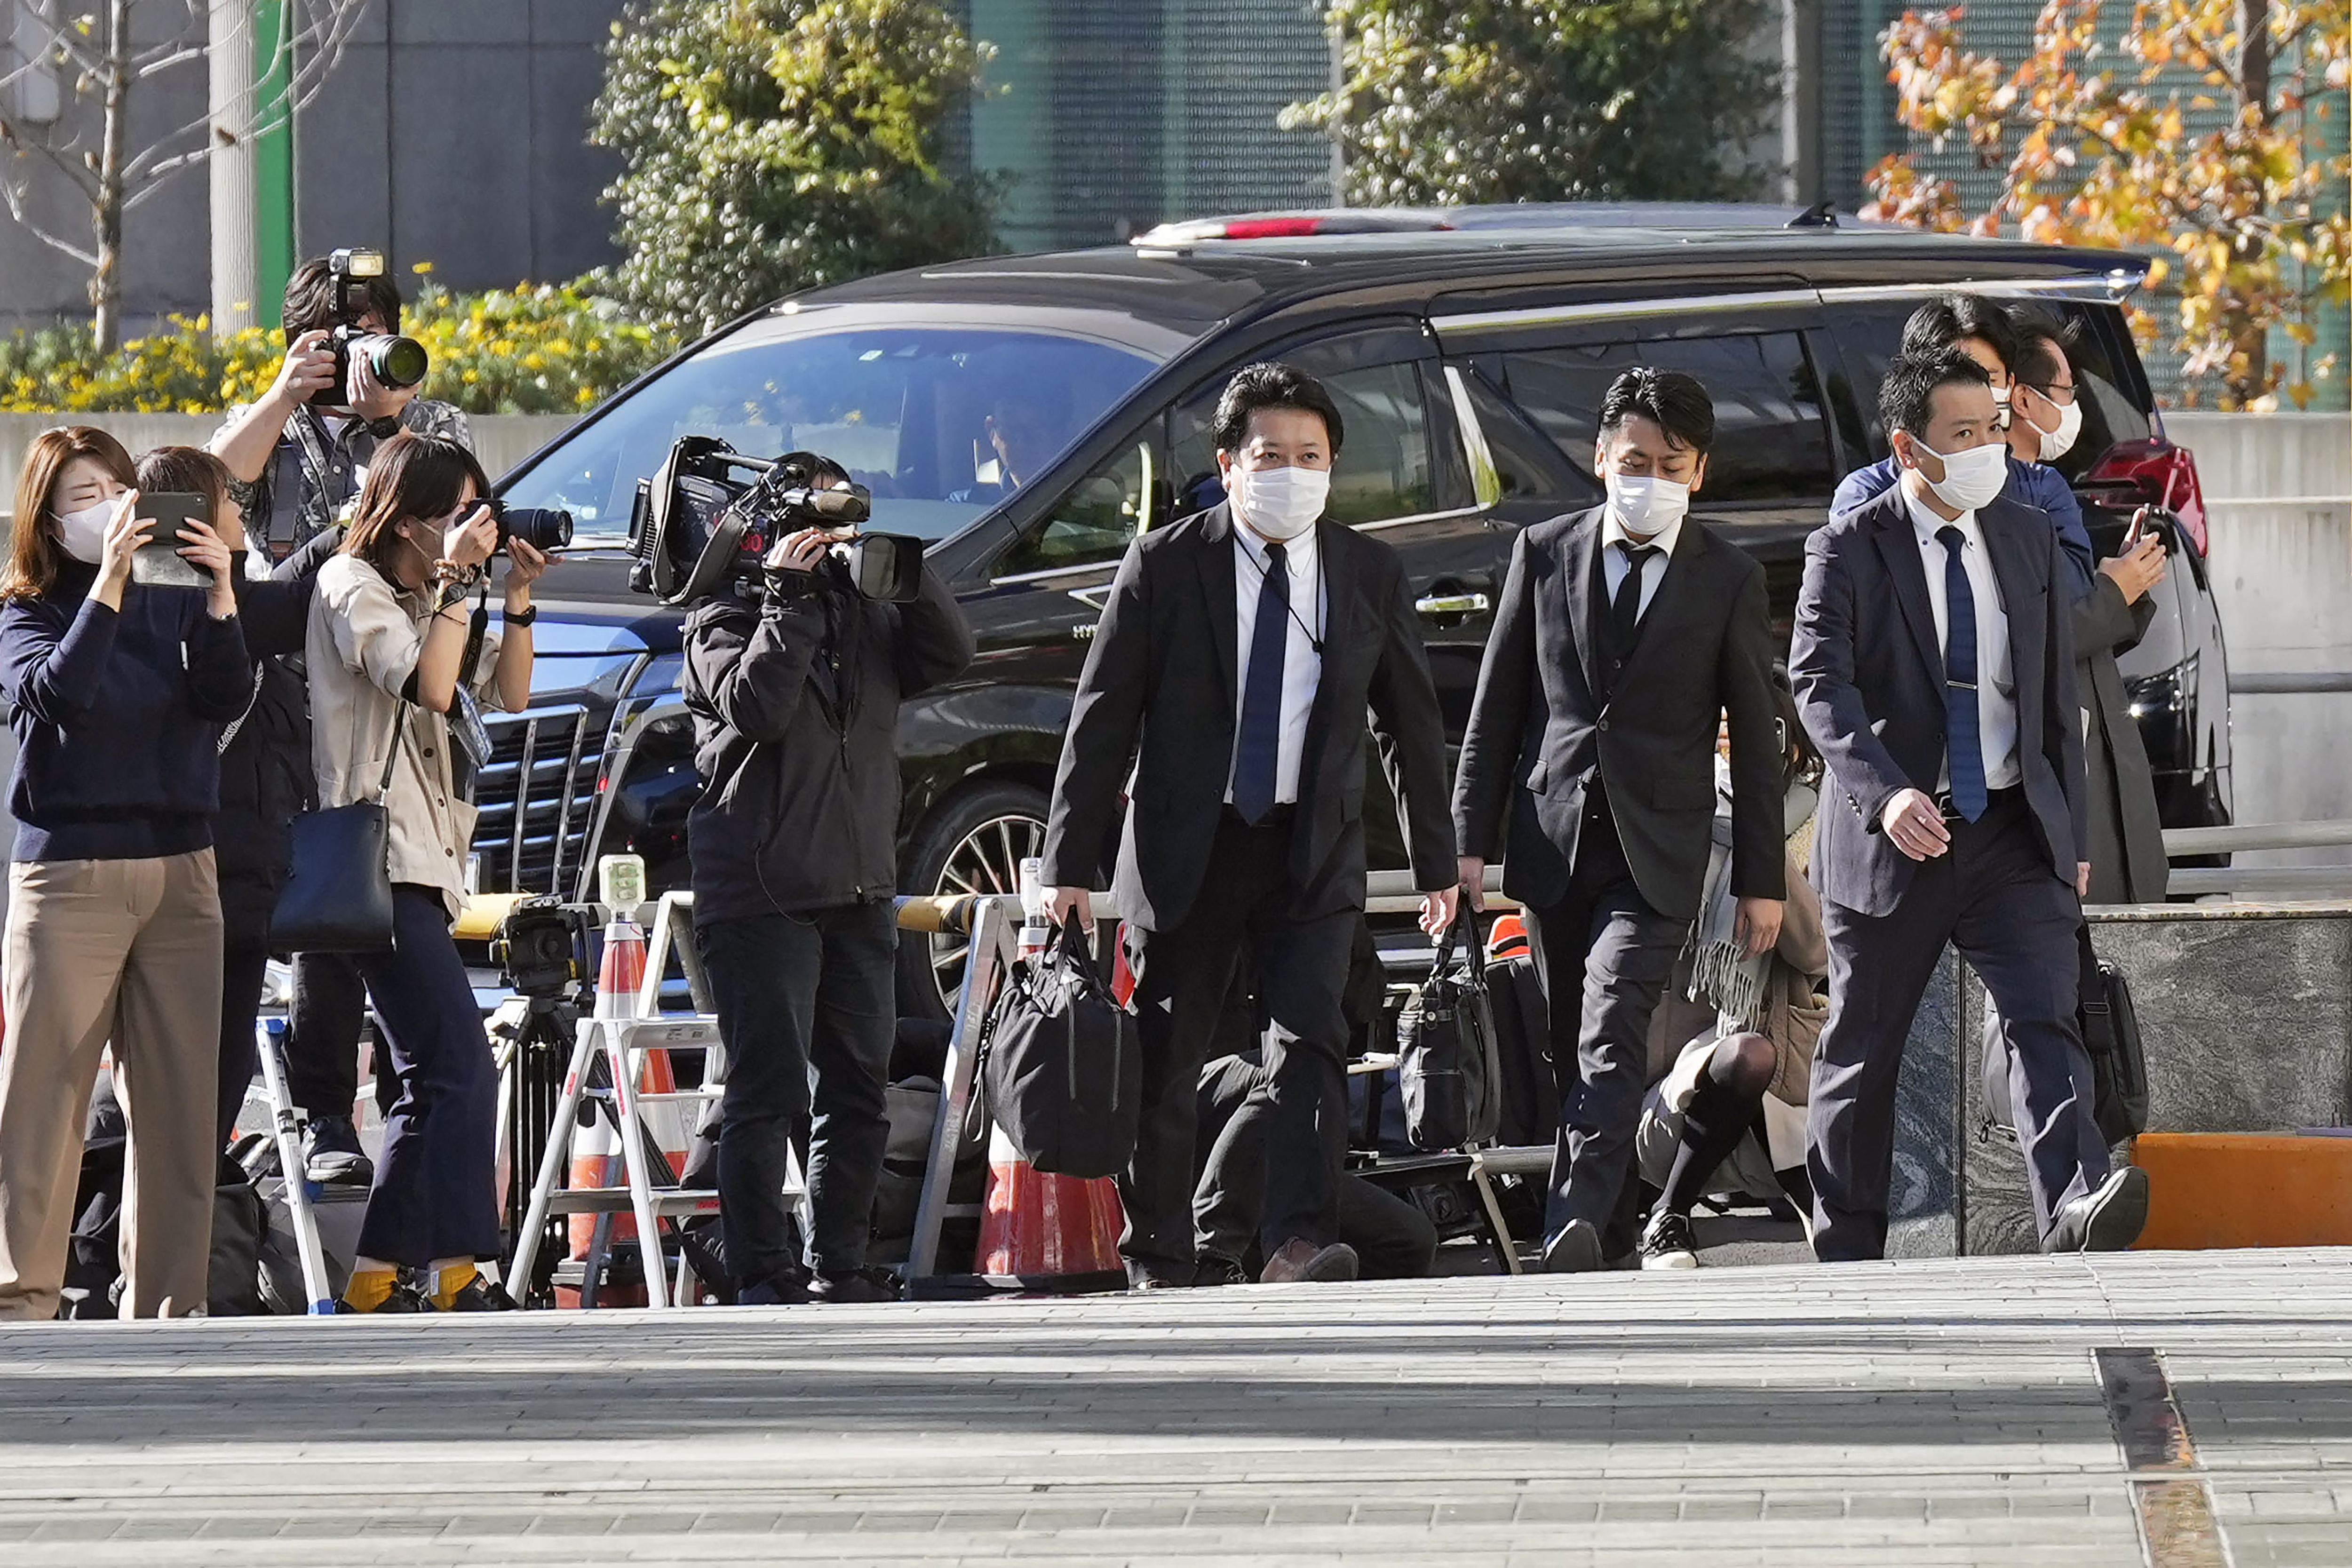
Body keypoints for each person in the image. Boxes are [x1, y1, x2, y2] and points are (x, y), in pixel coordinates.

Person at [1040, 361, 1458, 1289]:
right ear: (1228, 465)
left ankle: (1295, 1241)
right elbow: (1102, 717)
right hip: (1190, 845)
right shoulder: (1164, 564)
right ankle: (1159, 1250)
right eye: (1271, 454)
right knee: (1168, 1051)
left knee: (1311, 1044)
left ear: (1333, 467)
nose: (1291, 471)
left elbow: (1410, 726)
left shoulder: (1366, 572)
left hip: (1311, 852)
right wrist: (1067, 865)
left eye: (1310, 455)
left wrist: (1439, 861)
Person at [1789, 347, 2146, 1262]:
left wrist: (2063, 828)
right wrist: (1885, 790)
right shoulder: (1848, 546)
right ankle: (1847, 1253)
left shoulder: (2024, 536)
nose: (1989, 448)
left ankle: (2071, 1207)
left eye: (1993, 429)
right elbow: (1817, 687)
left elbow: (2046, 702)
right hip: (1895, 840)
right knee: (1861, 1055)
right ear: (1910, 449)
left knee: (2045, 1016)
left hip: (2008, 831)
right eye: (1965, 435)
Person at [1451, 367, 1785, 1274]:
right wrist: (1466, 850)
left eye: (1671, 465)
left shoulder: (1728, 578)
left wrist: (1760, 878)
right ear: (1601, 459)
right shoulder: (1545, 553)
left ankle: (1572, 1233)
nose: (1651, 478)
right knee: (1572, 1047)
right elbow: (1496, 713)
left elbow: (1759, 742)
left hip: (1658, 850)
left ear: (1699, 472)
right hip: (1554, 839)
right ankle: (1610, 1219)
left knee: (1609, 1028)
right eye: (1635, 460)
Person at [683, 454, 975, 1305]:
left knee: (858, 1090)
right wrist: (787, 597)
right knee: (765, 1091)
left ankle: (838, 1262)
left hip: (857, 885)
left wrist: (906, 569)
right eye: (816, 521)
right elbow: (759, 707)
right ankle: (760, 1268)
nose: (831, 537)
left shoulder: (865, 613)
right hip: (760, 889)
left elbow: (951, 653)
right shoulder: (720, 616)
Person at [209, 255, 474, 1189]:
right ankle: (325, 1108)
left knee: (410, 907)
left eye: (382, 330)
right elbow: (208, 483)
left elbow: (459, 503)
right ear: (306, 342)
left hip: (414, 688)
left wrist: (386, 420)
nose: (372, 353)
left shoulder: (427, 420)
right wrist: (290, 391)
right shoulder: (271, 424)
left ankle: (409, 1102)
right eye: (350, 336)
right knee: (333, 901)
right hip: (301, 704)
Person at [0, 427, 248, 1319]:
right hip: (69, 872)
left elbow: (224, 697)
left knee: (182, 1107)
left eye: (115, 485)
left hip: (182, 865)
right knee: (44, 1100)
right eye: (81, 496)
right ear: (46, 517)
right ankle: (19, 1297)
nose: (107, 505)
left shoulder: (175, 595)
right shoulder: (26, 609)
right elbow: (56, 695)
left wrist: (222, 593)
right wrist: (106, 581)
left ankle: (170, 1306)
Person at [309, 434, 547, 1313]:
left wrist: (513, 597)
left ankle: (375, 1278)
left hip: (428, 860)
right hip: (376, 861)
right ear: (407, 518)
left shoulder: (430, 592)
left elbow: (509, 694)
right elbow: (430, 688)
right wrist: (453, 586)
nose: (473, 531)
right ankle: (459, 1265)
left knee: (422, 1076)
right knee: (460, 1064)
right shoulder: (351, 584)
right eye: (456, 515)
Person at [129, 446, 339, 1150]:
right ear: (193, 521)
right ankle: (125, 1244)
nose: (239, 513)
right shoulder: (209, 610)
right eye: (227, 499)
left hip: (228, 881)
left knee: (186, 1084)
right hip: (214, 881)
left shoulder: (164, 606)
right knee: (198, 1082)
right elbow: (299, 600)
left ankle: (120, 1243)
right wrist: (365, 528)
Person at [1630, 684, 1829, 1269]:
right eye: (1716, 727)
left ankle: (1826, 1218)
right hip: (1670, 1086)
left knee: (1754, 1056)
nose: (1728, 740)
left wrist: (1756, 831)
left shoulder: (1822, 826)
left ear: (1791, 747)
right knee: (1744, 1055)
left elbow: (1817, 951)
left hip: (1788, 1081)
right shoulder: (1669, 824)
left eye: (1747, 730)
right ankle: (1669, 1214)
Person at [2007, 314, 2170, 904]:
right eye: (2066, 390)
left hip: (2092, 732)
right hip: (2060, 761)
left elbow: (2075, 625)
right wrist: (2112, 593)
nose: (2073, 405)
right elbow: (2034, 638)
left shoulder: (2044, 487)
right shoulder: (2022, 497)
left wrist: (2123, 583)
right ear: (2023, 398)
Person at [1832, 294, 2096, 595]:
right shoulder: (1866, 496)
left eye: (1987, 378)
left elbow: (2071, 596)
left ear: (2009, 385)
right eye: (1957, 377)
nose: (1973, 393)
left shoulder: (2041, 492)